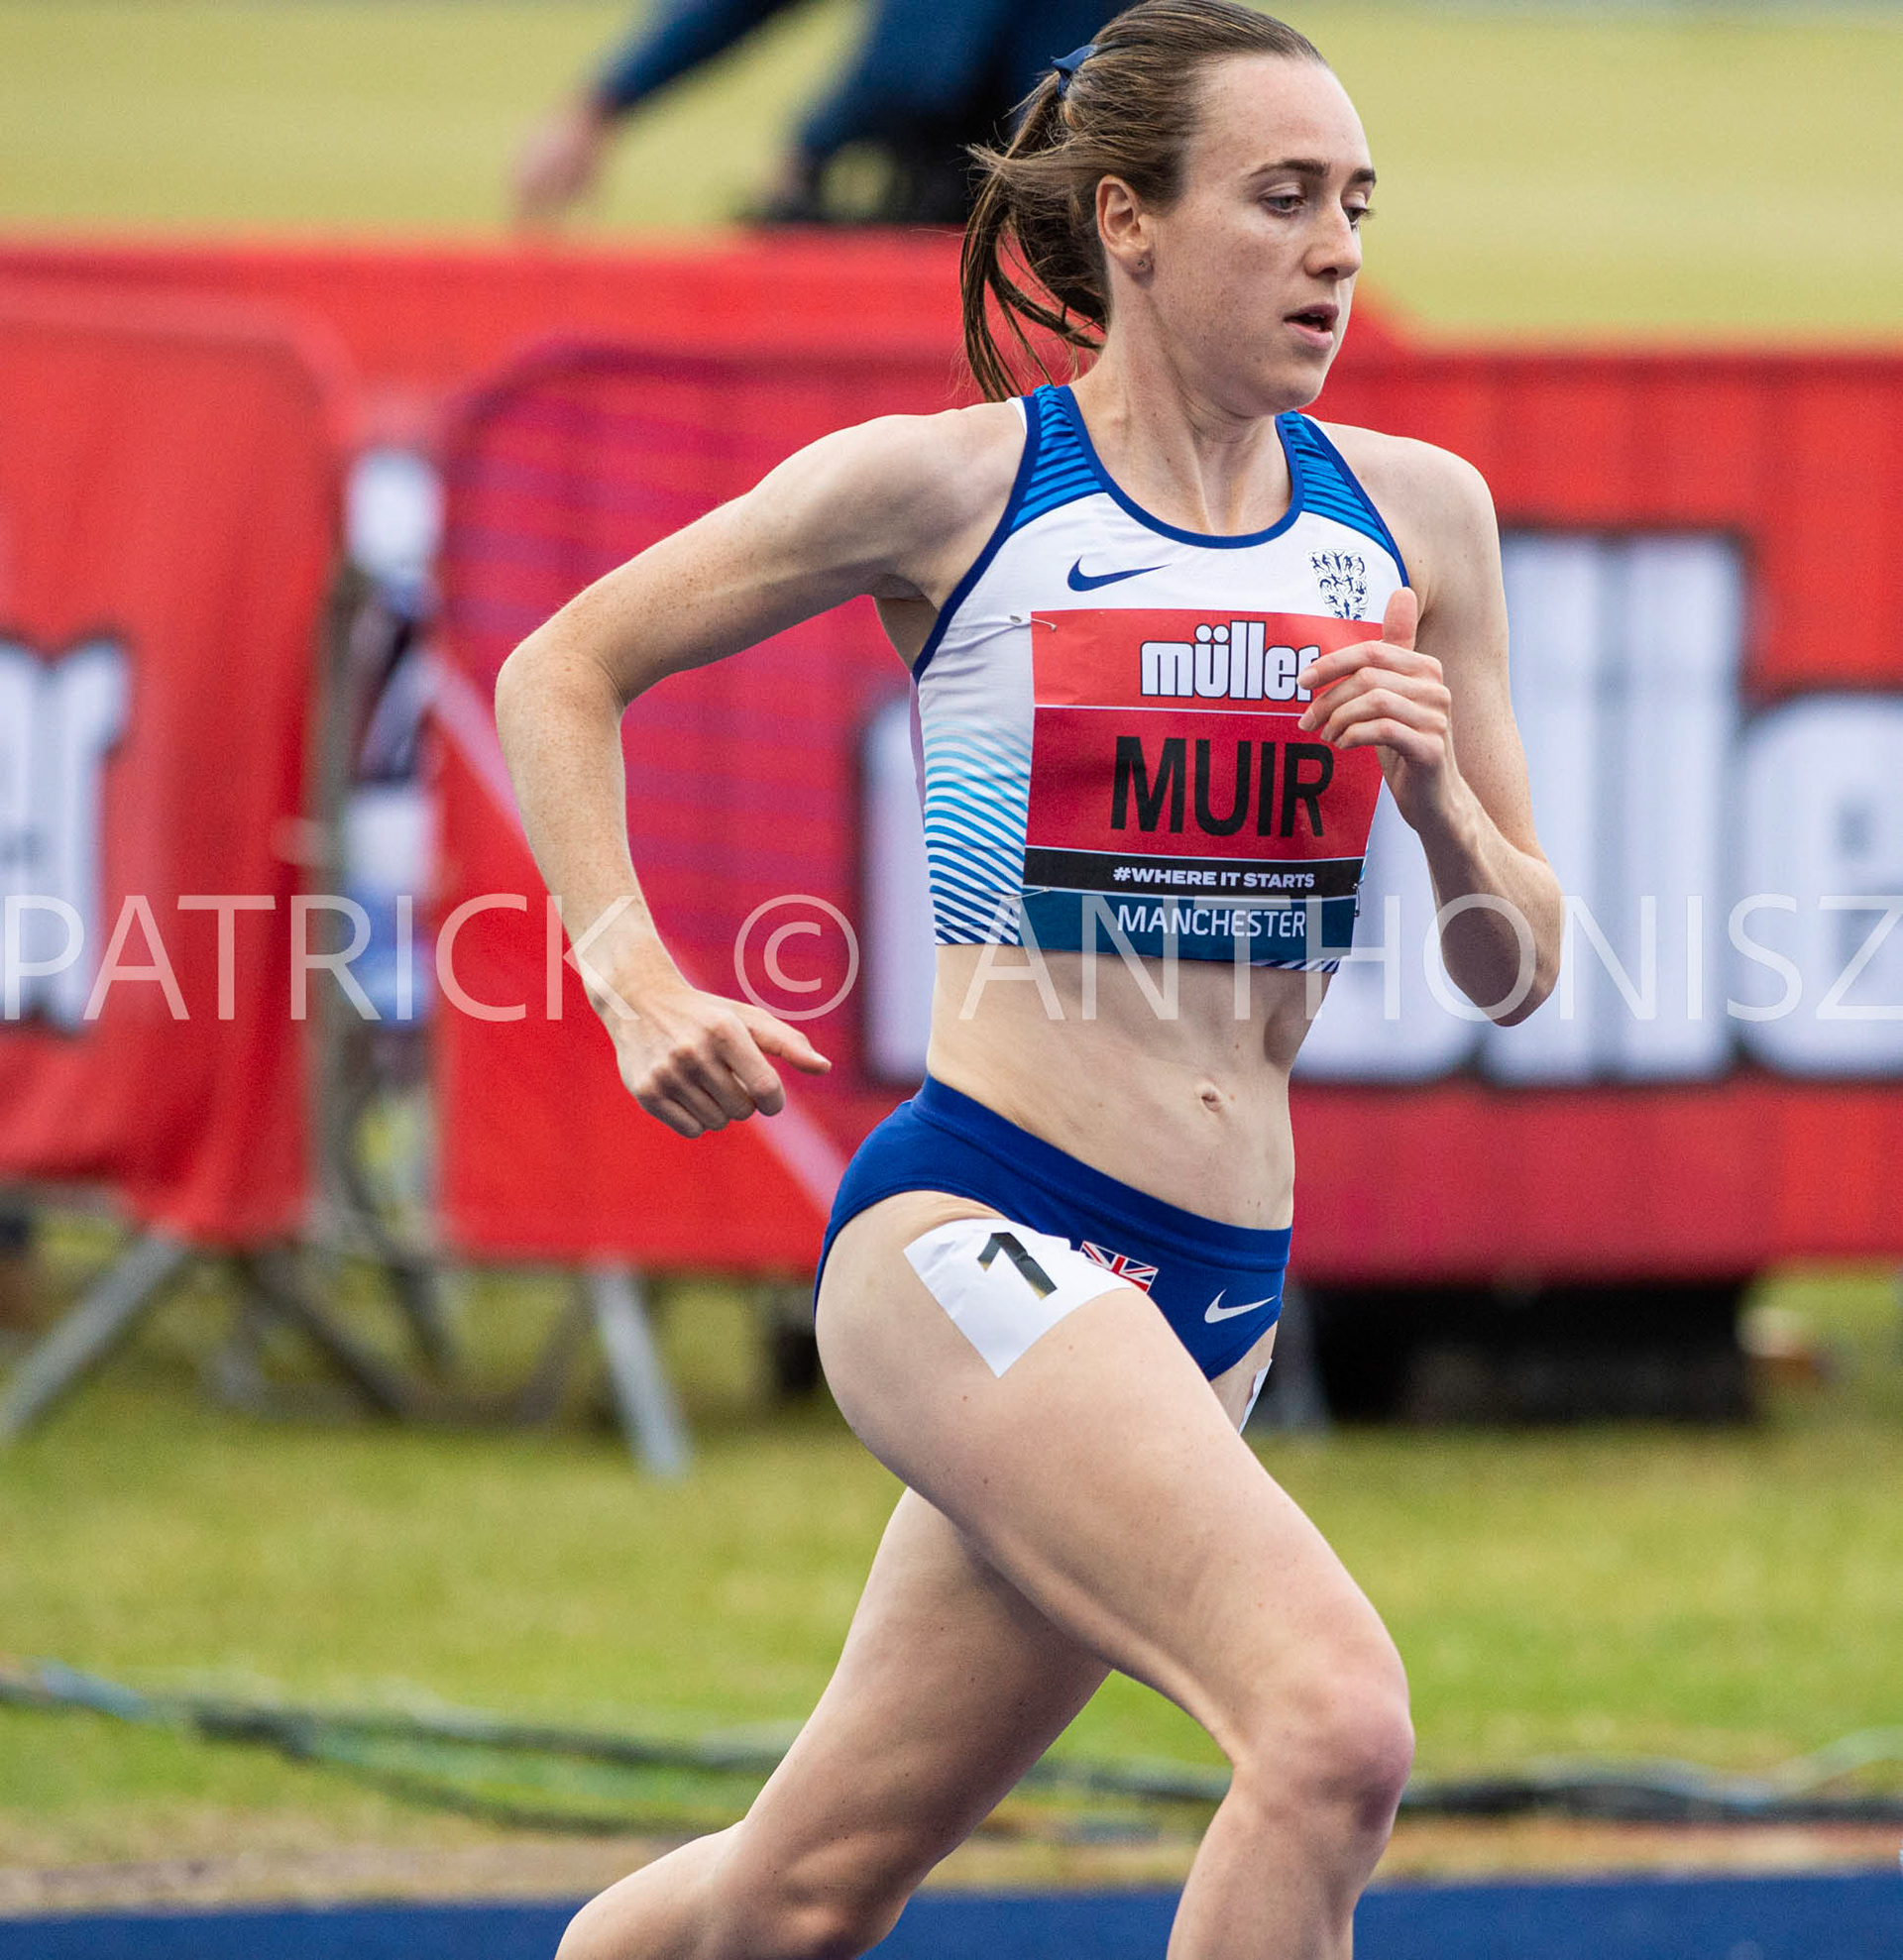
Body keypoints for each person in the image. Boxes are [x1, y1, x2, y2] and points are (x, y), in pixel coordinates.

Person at [495, 2, 1562, 1953]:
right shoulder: (959, 486)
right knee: (1330, 1726)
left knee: (801, 1888)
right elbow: (560, 665)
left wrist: (1436, 805)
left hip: (1214, 1293)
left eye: (1357, 204)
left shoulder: (1416, 518)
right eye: (1284, 199)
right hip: (982, 1225)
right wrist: (633, 971)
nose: (1337, 249)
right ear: (1130, 223)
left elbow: (1521, 963)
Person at [511, 0, 1107, 227]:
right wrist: (601, 103)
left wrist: (820, 141)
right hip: (930, 193)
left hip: (1061, 205)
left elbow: (926, 67)